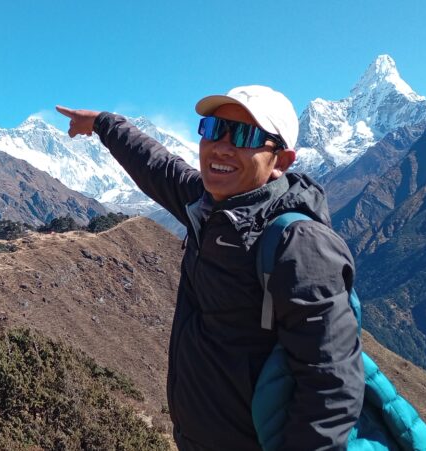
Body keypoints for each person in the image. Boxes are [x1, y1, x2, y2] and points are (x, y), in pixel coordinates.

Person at [57, 85, 364, 451]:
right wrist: (102, 123)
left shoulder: (299, 244)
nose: (222, 146)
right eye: (214, 129)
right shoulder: (209, 206)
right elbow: (156, 165)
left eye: (246, 136)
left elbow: (331, 386)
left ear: (281, 161)